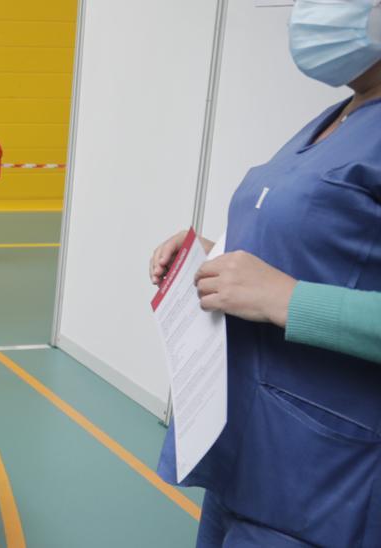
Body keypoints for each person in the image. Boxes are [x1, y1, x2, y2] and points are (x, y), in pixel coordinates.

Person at [148, 1, 381, 545]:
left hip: (322, 476)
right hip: (248, 448)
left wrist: (289, 300)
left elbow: (287, 289)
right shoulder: (341, 116)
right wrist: (213, 256)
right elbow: (325, 248)